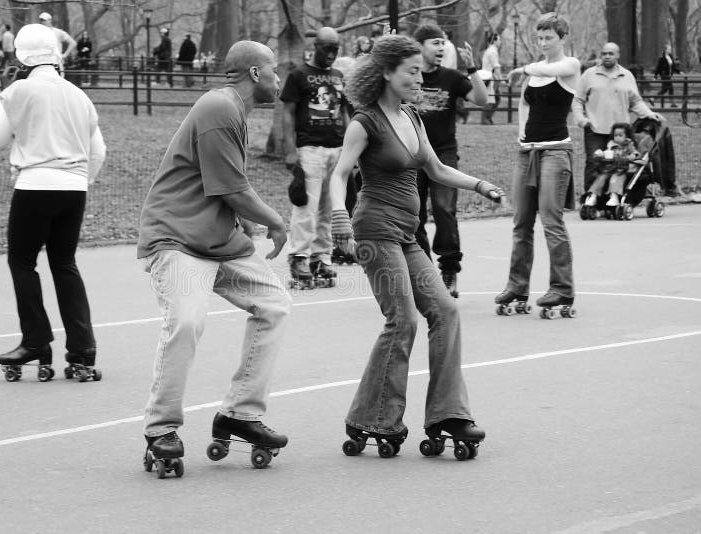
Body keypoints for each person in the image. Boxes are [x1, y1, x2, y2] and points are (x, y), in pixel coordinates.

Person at [329, 34, 504, 456]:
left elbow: (438, 169)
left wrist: (480, 185)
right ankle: (374, 416)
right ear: (386, 73)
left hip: (406, 235)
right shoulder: (365, 121)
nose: (418, 76)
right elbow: (339, 174)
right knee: (403, 318)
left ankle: (448, 413)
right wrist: (339, 221)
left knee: (444, 310)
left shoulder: (412, 116)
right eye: (411, 70)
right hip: (374, 230)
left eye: (419, 70)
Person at [137, 41, 291, 469]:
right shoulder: (220, 106)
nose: (279, 79)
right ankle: (161, 427)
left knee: (274, 304)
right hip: (177, 237)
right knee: (186, 322)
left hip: (217, 240)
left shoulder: (232, 111)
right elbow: (231, 189)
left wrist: (247, 225)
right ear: (255, 74)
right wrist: (276, 222)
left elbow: (223, 181)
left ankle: (240, 414)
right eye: (274, 70)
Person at [0, 24, 106, 381]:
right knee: (64, 262)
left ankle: (36, 341)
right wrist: (79, 179)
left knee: (22, 261)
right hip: (74, 187)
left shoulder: (19, 90)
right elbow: (98, 151)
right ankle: (83, 350)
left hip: (34, 184)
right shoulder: (77, 94)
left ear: (21, 56)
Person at [497, 12, 580, 315]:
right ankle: (517, 286)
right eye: (540, 37)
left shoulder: (570, 66)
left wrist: (522, 68)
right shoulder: (534, 72)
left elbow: (551, 68)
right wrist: (521, 132)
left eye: (549, 37)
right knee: (521, 223)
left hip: (556, 152)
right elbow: (525, 102)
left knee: (551, 220)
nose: (543, 42)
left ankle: (562, 289)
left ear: (562, 38)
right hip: (527, 152)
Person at [412, 24, 488, 298]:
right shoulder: (409, 75)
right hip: (411, 153)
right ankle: (423, 272)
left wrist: (472, 69)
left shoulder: (452, 78)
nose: (442, 48)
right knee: (414, 215)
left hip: (443, 152)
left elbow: (482, 99)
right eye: (435, 43)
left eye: (443, 43)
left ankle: (449, 270)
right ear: (419, 46)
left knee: (444, 209)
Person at [281, 26, 349, 287]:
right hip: (309, 149)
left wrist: (349, 147)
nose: (332, 54)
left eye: (336, 49)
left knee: (329, 208)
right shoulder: (298, 76)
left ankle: (321, 257)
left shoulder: (338, 76)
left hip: (336, 149)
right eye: (327, 48)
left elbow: (344, 111)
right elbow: (288, 113)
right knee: (306, 207)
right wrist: (289, 150)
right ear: (316, 47)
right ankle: (299, 255)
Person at [571, 42, 662, 193]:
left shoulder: (627, 76)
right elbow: (577, 100)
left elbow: (636, 101)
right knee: (594, 163)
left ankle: (614, 198)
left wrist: (649, 114)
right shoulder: (589, 75)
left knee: (620, 165)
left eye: (611, 53)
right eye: (604, 53)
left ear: (618, 55)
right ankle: (590, 200)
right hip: (595, 129)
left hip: (621, 133)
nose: (607, 56)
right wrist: (581, 120)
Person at [584, 122, 640, 207]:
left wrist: (633, 155)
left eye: (620, 135)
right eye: (615, 135)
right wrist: (601, 154)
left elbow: (635, 152)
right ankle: (593, 196)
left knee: (615, 179)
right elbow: (607, 152)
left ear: (626, 136)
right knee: (600, 178)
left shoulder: (629, 144)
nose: (617, 138)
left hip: (622, 169)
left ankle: (614, 197)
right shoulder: (611, 144)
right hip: (609, 168)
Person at [481, 33, 502, 125]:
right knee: (491, 99)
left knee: (495, 98)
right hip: (490, 78)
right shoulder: (492, 51)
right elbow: (495, 66)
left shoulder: (489, 50)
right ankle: (485, 119)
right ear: (495, 40)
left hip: (488, 77)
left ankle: (487, 118)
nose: (500, 42)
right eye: (499, 40)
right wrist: (501, 79)